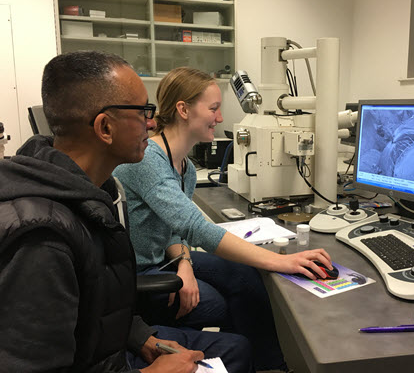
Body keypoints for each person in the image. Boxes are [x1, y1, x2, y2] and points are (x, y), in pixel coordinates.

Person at [0, 51, 253, 373]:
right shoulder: (41, 239)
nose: (152, 122)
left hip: (115, 344)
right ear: (105, 127)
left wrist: (141, 337)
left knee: (235, 347)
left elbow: (100, 304)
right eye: (143, 111)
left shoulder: (97, 192)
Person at [113, 67, 333, 372]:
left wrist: (185, 264)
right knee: (218, 303)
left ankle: (268, 365)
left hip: (162, 259)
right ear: (183, 110)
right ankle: (232, 356)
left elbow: (175, 229)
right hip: (138, 274)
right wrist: (283, 261)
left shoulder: (185, 168)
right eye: (214, 109)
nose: (219, 118)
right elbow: (198, 229)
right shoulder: (148, 160)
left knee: (243, 273)